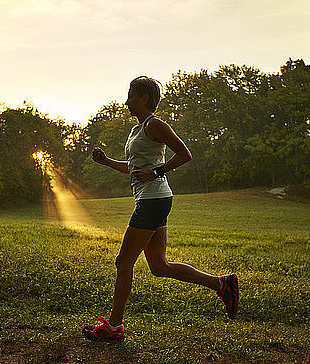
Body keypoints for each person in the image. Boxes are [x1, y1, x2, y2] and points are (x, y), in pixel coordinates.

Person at [82, 76, 239, 343]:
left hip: (153, 200)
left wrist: (156, 171)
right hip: (153, 198)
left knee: (123, 262)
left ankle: (114, 327)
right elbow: (134, 168)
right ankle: (221, 283)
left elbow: (184, 154)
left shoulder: (156, 125)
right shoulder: (137, 130)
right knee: (159, 266)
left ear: (144, 97)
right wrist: (107, 162)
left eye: (131, 95)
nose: (127, 100)